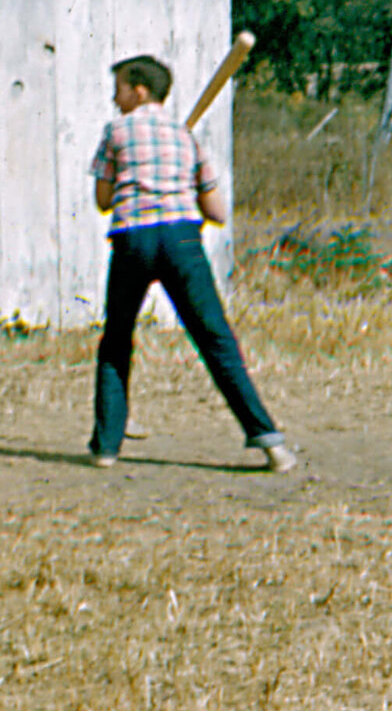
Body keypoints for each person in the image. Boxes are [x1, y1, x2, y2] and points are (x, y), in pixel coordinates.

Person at [87, 54, 296, 471]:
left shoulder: (116, 131)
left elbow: (103, 200)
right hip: (182, 239)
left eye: (120, 88)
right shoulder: (187, 138)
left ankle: (107, 448)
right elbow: (216, 211)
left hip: (133, 237)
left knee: (116, 341)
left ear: (139, 91)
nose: (114, 97)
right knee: (215, 339)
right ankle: (270, 442)